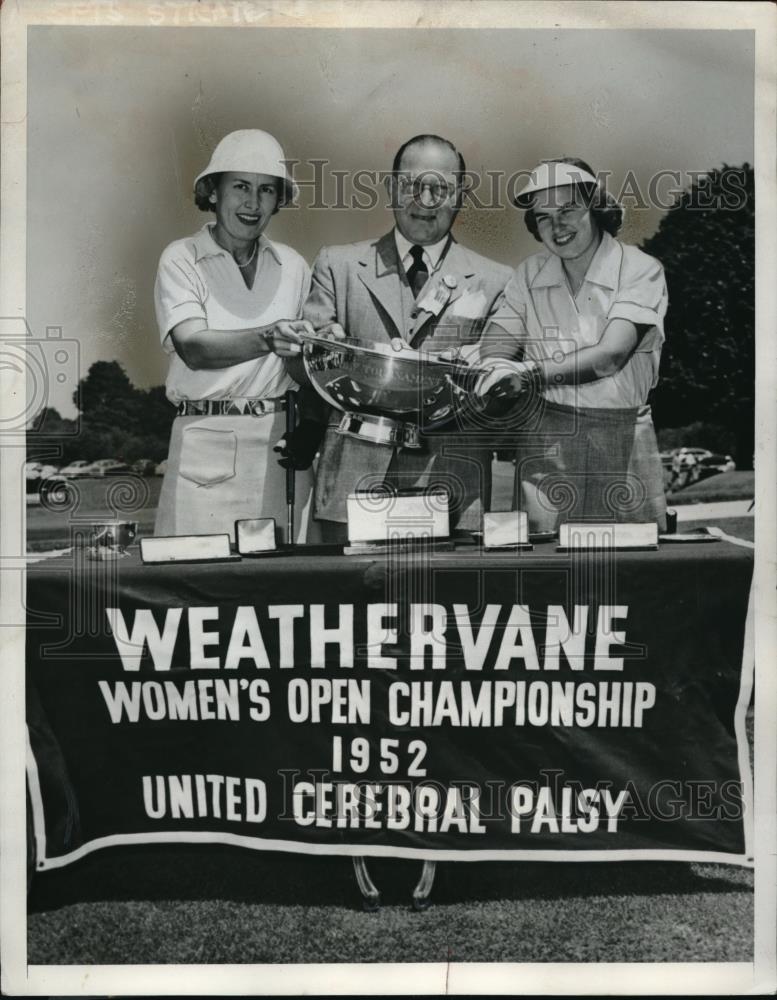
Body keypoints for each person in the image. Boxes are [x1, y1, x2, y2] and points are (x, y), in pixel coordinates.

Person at [299, 134, 512, 542]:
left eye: (441, 188)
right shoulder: (336, 265)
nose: (426, 200)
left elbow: (500, 390)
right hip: (352, 487)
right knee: (351, 606)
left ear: (460, 196)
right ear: (391, 189)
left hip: (455, 489)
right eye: (413, 185)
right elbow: (304, 366)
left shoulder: (499, 281)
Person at [475, 157, 669, 530]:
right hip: (545, 439)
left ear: (596, 209)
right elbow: (496, 344)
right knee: (544, 573)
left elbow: (610, 356)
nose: (557, 225)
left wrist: (528, 373)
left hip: (622, 436)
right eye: (543, 216)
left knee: (631, 571)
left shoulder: (640, 268)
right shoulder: (528, 274)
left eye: (568, 209)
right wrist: (496, 365)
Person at [153, 129, 318, 542]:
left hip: (279, 444)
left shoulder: (294, 266)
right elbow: (193, 347)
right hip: (202, 439)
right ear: (213, 192)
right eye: (240, 187)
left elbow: (304, 369)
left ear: (277, 201)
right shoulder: (181, 256)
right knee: (195, 585)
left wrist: (314, 358)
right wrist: (268, 337)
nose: (252, 203)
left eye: (266, 190)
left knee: (284, 589)